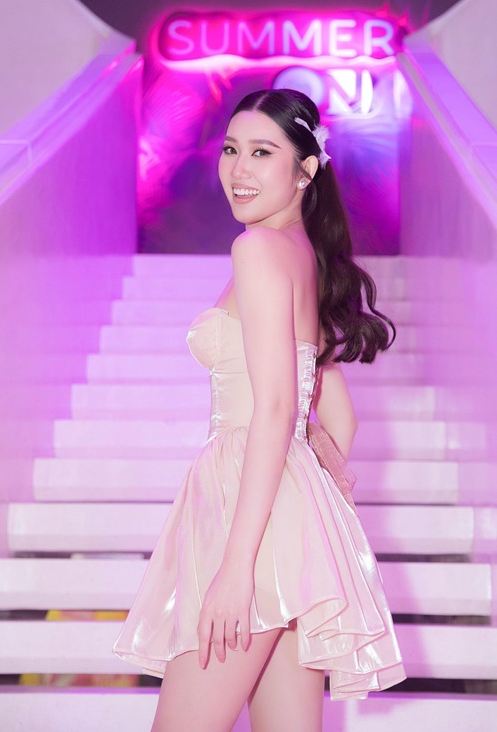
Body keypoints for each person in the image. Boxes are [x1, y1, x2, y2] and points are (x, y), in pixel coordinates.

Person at [112, 88, 406, 731]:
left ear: (305, 170)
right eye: (230, 150)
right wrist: (306, 503)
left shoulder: (257, 250)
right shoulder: (304, 258)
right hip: (284, 516)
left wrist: (237, 565)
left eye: (263, 152)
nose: (238, 169)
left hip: (248, 517)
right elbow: (339, 422)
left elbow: (276, 406)